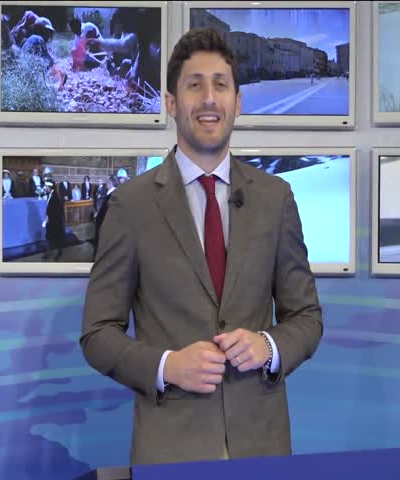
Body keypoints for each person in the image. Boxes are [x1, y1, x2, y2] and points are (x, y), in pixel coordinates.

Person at [80, 28, 323, 465]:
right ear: (171, 103)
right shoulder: (130, 206)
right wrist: (166, 366)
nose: (209, 99)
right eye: (195, 85)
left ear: (237, 102)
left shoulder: (276, 199)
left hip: (261, 446)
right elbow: (97, 334)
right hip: (170, 450)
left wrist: (269, 346)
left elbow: (306, 317)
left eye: (221, 85)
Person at [42, 180, 65, 260]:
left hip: (55, 220)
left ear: (50, 187)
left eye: (46, 186)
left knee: (54, 236)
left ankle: (59, 251)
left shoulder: (55, 196)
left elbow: (56, 210)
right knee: (50, 236)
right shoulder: (50, 194)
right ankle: (50, 251)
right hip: (51, 219)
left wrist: (48, 218)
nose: (45, 188)